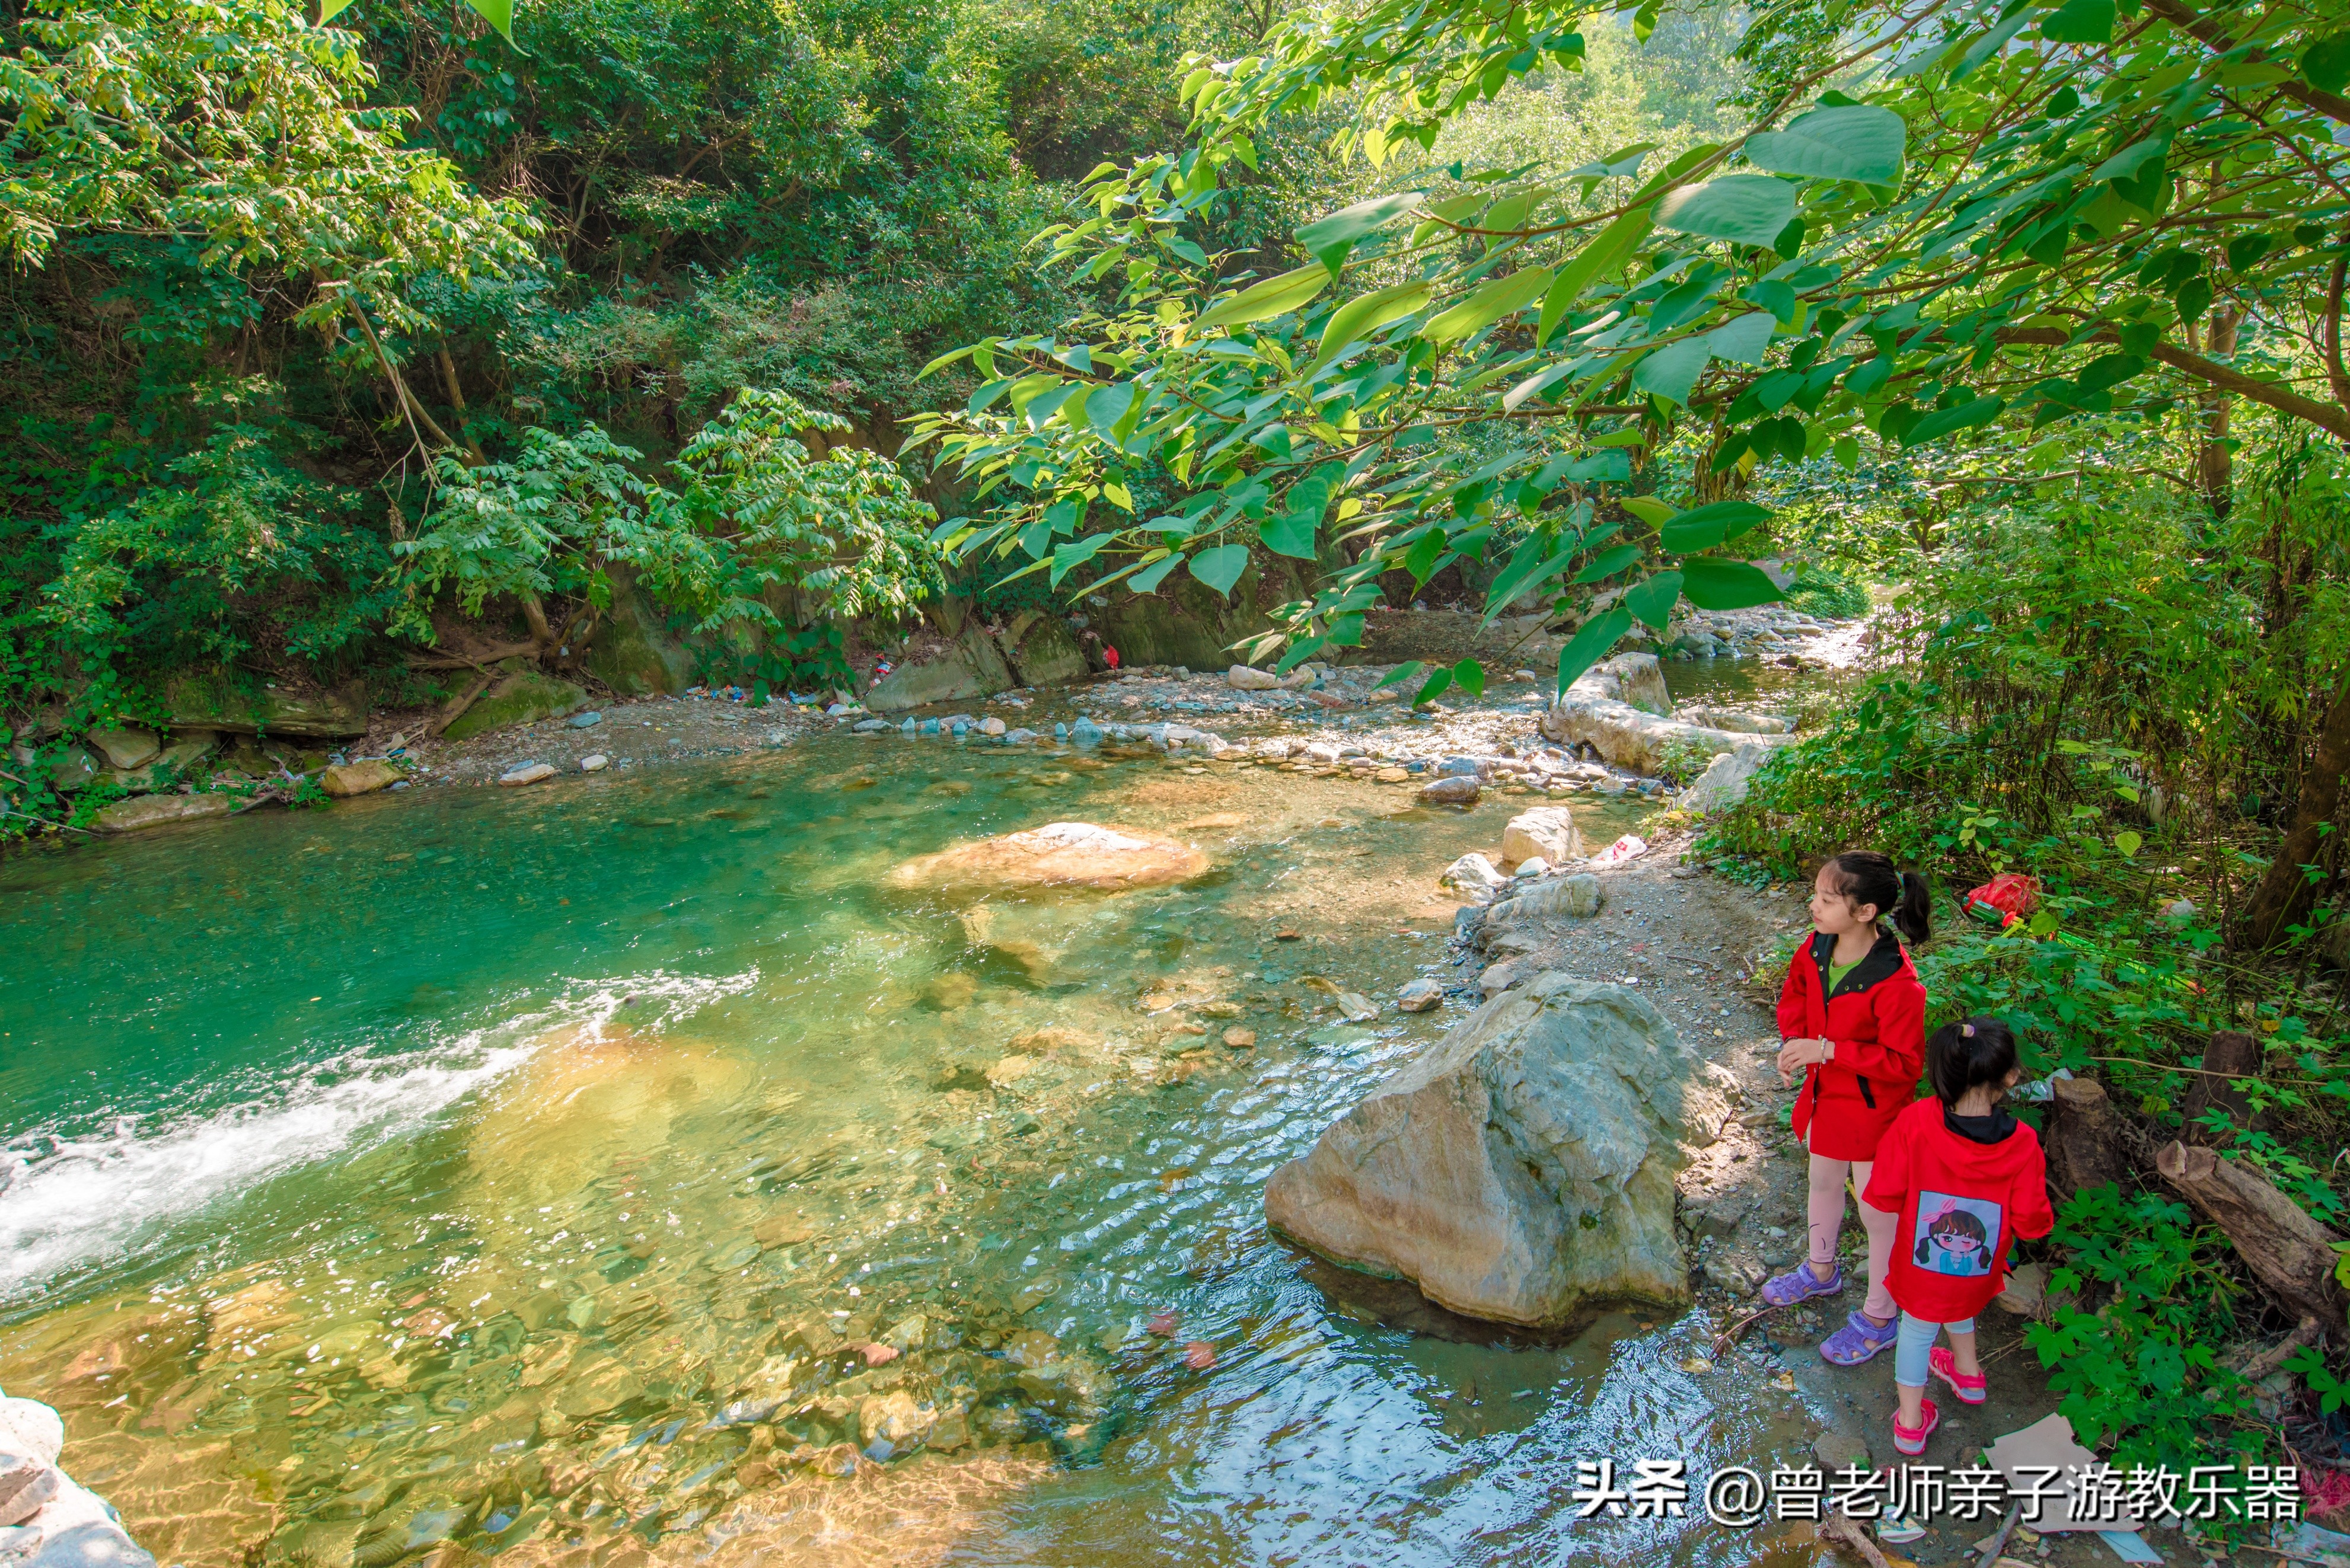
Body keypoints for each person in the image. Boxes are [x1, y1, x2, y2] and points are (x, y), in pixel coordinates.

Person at [1760, 851, 1932, 1366]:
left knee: (1878, 1214)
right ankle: (1819, 1270)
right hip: (1824, 1099)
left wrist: (1828, 1050)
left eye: (1827, 899)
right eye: (1816, 893)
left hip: (1875, 1114)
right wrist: (1795, 1041)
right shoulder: (1816, 948)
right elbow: (1793, 996)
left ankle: (1880, 1317)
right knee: (1822, 1180)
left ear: (1864, 911)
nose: (1813, 905)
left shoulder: (1897, 981)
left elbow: (1904, 1064)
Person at [1863, 1017, 2054, 1455]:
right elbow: (2031, 1219)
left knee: (1916, 1330)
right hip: (1979, 1269)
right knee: (1958, 1306)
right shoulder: (2023, 1142)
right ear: (2009, 1076)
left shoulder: (1914, 1121)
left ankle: (1910, 1421)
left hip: (1919, 1267)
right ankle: (1967, 1376)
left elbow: (1884, 1192)